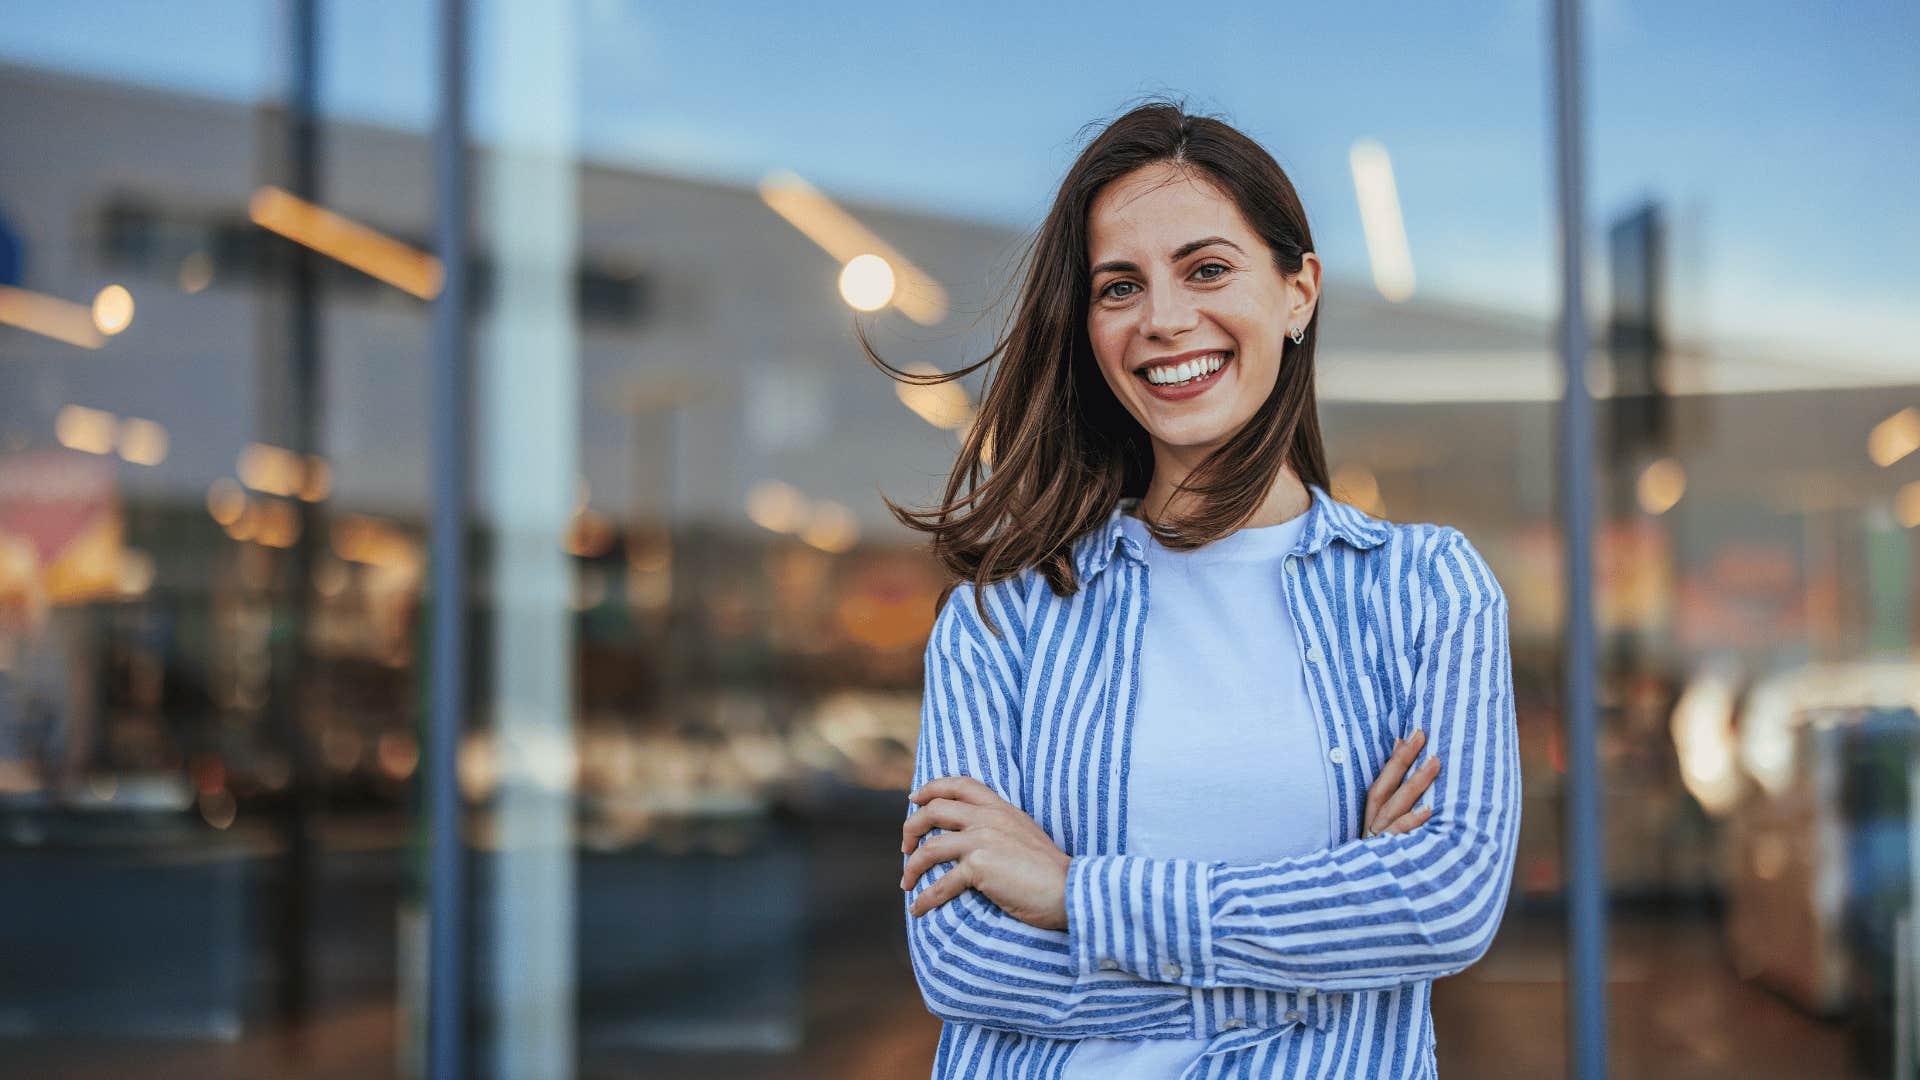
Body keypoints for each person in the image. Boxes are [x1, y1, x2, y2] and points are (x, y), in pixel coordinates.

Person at [873, 99, 1520, 1079]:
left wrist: (1075, 895)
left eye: (1207, 269)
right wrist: (1333, 939)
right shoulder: (1002, 619)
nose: (1165, 319)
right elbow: (965, 961)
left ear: (1298, 292)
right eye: (1119, 286)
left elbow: (1443, 904)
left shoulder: (1426, 592)